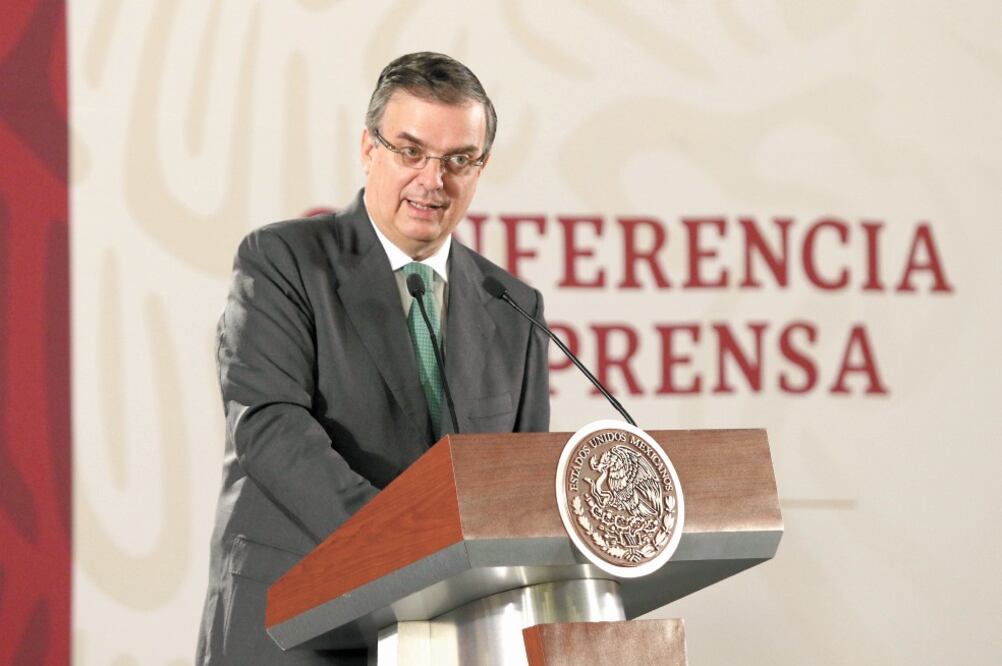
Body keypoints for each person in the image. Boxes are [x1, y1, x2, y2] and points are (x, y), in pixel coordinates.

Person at [195, 52, 550, 665]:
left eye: (458, 160)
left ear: (480, 167)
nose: (432, 180)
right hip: (298, 628)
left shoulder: (512, 306)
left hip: (456, 638)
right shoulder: (283, 262)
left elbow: (516, 487)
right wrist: (410, 546)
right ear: (368, 149)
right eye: (410, 151)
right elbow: (272, 429)